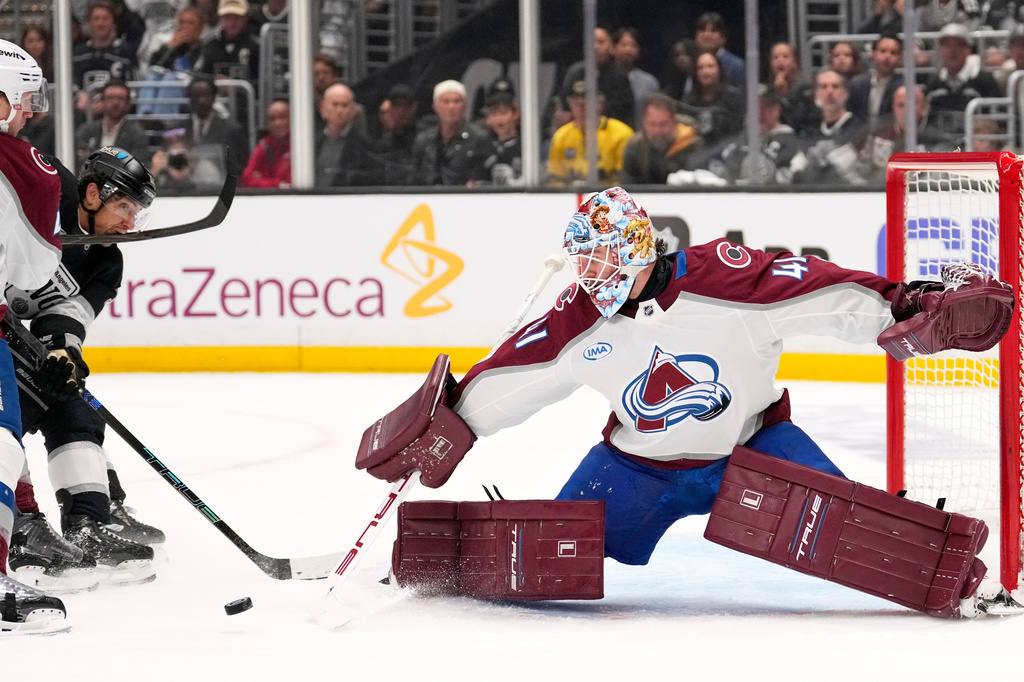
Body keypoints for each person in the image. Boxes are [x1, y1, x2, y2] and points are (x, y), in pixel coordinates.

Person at [362, 186, 1014, 619]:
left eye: (610, 259)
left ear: (644, 246)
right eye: (585, 264)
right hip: (639, 467)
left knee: (856, 538)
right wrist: (452, 420)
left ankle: (963, 581)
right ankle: (434, 559)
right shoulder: (576, 321)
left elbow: (823, 292)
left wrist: (904, 305)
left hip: (755, 449)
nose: (598, 278)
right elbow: (512, 376)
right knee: (547, 556)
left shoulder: (725, 279)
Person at [9, 148, 164, 595]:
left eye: (136, 213)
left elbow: (71, 312)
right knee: (11, 409)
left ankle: (87, 525)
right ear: (92, 194)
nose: (129, 224)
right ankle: (17, 524)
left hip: (15, 333)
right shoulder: (46, 188)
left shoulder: (106, 261)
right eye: (123, 208)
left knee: (73, 408)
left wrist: (64, 353)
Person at [0, 38, 68, 635]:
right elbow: (36, 268)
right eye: (23, 101)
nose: (29, 113)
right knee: (1, 442)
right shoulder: (22, 166)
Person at [547, 80, 634, 186]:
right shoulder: (561, 136)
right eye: (577, 104)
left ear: (600, 105)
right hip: (569, 198)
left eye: (587, 104)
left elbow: (624, 180)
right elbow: (556, 180)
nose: (582, 109)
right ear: (570, 106)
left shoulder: (622, 134)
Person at [791, 69, 870, 185]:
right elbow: (796, 171)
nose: (829, 91)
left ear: (846, 93)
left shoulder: (859, 129)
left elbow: (839, 171)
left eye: (835, 86)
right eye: (823, 87)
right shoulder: (810, 131)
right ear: (816, 94)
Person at [409, 79, 492, 186]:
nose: (451, 107)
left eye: (456, 101)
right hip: (428, 198)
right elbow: (414, 178)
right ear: (435, 106)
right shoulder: (424, 140)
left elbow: (485, 178)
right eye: (446, 102)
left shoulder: (480, 139)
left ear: (464, 105)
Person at [924, 23, 1002, 135]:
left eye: (958, 45)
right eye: (947, 45)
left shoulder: (984, 81)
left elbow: (998, 120)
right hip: (939, 146)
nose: (952, 51)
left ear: (968, 49)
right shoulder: (933, 83)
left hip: (976, 146)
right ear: (940, 50)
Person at [559, 26, 636, 128]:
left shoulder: (619, 77)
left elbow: (624, 111)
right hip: (576, 130)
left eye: (601, 42)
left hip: (610, 131)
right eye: (592, 42)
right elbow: (564, 105)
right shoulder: (575, 72)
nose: (596, 46)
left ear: (611, 48)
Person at [621, 93, 702, 184]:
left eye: (663, 124)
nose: (658, 131)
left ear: (675, 122)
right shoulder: (635, 146)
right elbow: (628, 185)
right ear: (644, 124)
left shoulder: (693, 143)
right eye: (652, 124)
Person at [182, 75, 250, 180]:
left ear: (214, 97)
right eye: (196, 96)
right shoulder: (177, 130)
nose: (201, 101)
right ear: (190, 98)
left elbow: (240, 167)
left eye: (206, 95)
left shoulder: (232, 130)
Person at [73, 79, 149, 171]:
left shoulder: (136, 134)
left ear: (128, 104)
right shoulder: (87, 130)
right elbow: (77, 159)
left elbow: (136, 167)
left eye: (120, 98)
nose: (115, 103)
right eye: (110, 98)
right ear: (102, 101)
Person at [315, 81, 378, 187]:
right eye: (335, 104)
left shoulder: (364, 148)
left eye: (345, 105)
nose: (340, 111)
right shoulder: (312, 142)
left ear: (353, 109)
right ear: (323, 107)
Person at [681, 52, 745, 147]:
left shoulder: (734, 97)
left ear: (719, 70)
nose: (706, 72)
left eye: (710, 66)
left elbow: (738, 132)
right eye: (700, 68)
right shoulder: (688, 101)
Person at [848, 32, 904, 128]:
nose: (887, 57)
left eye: (893, 53)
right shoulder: (857, 84)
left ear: (900, 58)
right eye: (883, 51)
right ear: (873, 54)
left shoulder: (903, 87)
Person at [763, 41, 817, 136]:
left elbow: (801, 122)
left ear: (795, 63)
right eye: (775, 57)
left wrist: (785, 96)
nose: (780, 60)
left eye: (785, 57)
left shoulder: (806, 90)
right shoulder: (767, 93)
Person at [614, 28, 660, 131]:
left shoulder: (649, 82)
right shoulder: (604, 78)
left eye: (633, 45)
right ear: (614, 48)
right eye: (624, 45)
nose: (628, 49)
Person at [374, 83, 420, 185]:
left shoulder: (423, 138)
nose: (401, 110)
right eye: (396, 105)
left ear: (414, 107)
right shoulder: (380, 140)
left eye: (405, 105)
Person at [150, 128, 224, 191]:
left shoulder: (206, 169)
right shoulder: (160, 173)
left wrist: (188, 174)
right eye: (173, 157)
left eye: (181, 155)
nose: (178, 160)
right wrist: (154, 172)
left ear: (191, 154)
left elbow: (213, 193)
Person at [241, 99, 291, 188]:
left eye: (283, 117)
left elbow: (292, 183)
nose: (277, 123)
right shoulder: (265, 145)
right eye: (272, 119)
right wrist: (278, 184)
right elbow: (247, 179)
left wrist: (263, 179)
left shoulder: (299, 146)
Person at [480, 78, 521, 185]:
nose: (499, 119)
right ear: (487, 118)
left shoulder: (527, 149)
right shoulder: (481, 148)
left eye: (503, 113)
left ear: (516, 114)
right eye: (494, 113)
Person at [694, 12, 745, 93]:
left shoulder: (736, 66)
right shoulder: (692, 63)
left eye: (713, 30)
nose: (707, 35)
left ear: (723, 37)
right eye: (702, 30)